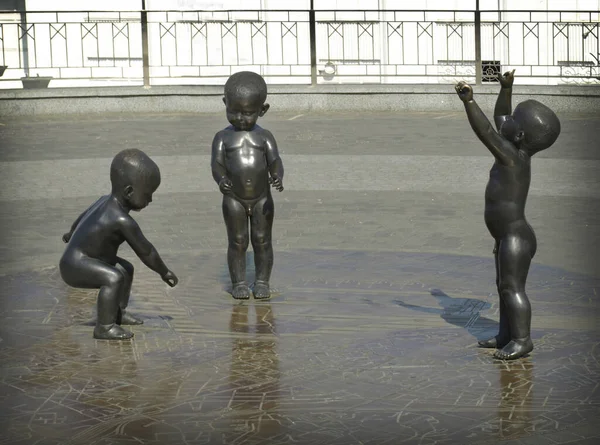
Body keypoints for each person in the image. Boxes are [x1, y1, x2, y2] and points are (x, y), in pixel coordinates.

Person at [455, 70, 560, 360]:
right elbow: (501, 116)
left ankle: (522, 340)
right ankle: (505, 335)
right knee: (502, 287)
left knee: (512, 288)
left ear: (521, 134)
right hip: (505, 235)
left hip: (516, 237)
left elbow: (487, 132)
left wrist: (469, 103)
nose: (506, 119)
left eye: (513, 119)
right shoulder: (516, 145)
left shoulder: (512, 157)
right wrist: (506, 88)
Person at [60, 148, 178, 340]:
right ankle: (104, 327)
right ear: (129, 192)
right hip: (75, 264)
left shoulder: (103, 200)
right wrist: (164, 271)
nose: (150, 199)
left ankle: (117, 313)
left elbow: (82, 217)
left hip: (81, 258)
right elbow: (146, 251)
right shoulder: (122, 220)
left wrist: (71, 233)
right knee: (113, 277)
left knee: (126, 269)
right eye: (148, 194)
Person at [211, 71, 284, 300]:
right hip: (234, 198)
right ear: (225, 104)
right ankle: (239, 282)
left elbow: (275, 160)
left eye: (248, 113)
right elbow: (217, 164)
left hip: (262, 198)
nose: (240, 118)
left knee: (262, 240)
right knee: (238, 241)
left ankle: (262, 281)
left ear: (262, 110)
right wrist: (221, 179)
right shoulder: (222, 137)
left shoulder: (265, 137)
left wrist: (277, 176)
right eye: (233, 111)